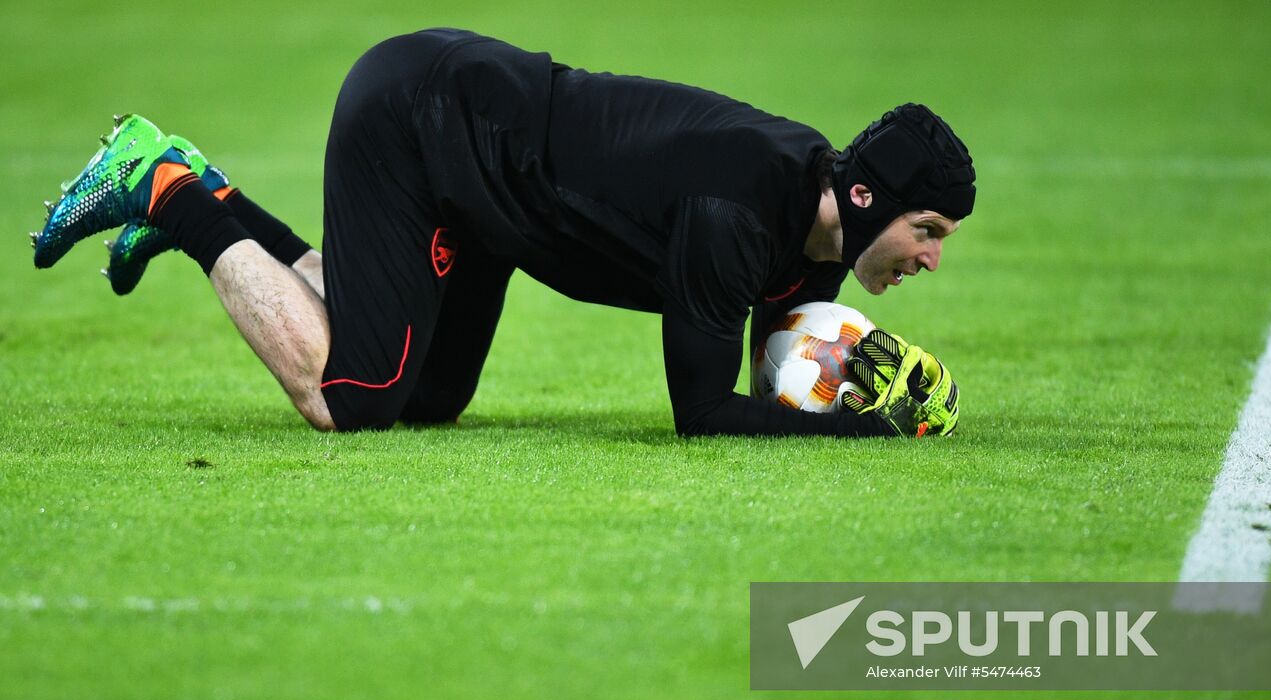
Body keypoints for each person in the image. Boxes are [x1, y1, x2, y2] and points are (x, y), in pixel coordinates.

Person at [31, 28, 974, 438]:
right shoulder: (737, 217)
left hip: (483, 188)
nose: (930, 258)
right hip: (423, 122)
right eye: (926, 228)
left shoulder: (809, 217)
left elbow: (782, 354)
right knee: (354, 395)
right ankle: (165, 192)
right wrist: (855, 436)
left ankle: (210, 191)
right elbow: (705, 412)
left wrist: (868, 380)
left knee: (428, 399)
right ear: (862, 200)